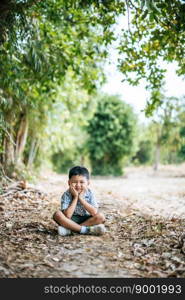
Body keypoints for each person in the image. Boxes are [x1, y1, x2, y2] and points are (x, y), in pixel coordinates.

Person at [53, 166, 106, 236]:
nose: (78, 185)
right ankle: (85, 230)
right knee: (57, 214)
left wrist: (81, 199)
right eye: (74, 182)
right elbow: (67, 215)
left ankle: (71, 230)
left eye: (82, 182)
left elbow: (94, 212)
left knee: (101, 217)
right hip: (70, 220)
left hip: (87, 220)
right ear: (69, 183)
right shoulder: (66, 194)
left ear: (88, 183)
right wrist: (75, 197)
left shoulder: (90, 193)